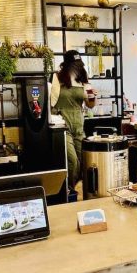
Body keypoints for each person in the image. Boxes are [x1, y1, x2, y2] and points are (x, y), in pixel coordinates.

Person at [51, 50, 96, 192]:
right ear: (66, 65)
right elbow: (51, 103)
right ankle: (69, 191)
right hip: (63, 126)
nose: (77, 67)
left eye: (79, 64)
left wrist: (93, 96)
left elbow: (90, 104)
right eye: (74, 64)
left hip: (79, 126)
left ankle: (75, 191)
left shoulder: (83, 79)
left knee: (83, 162)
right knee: (72, 162)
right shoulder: (57, 78)